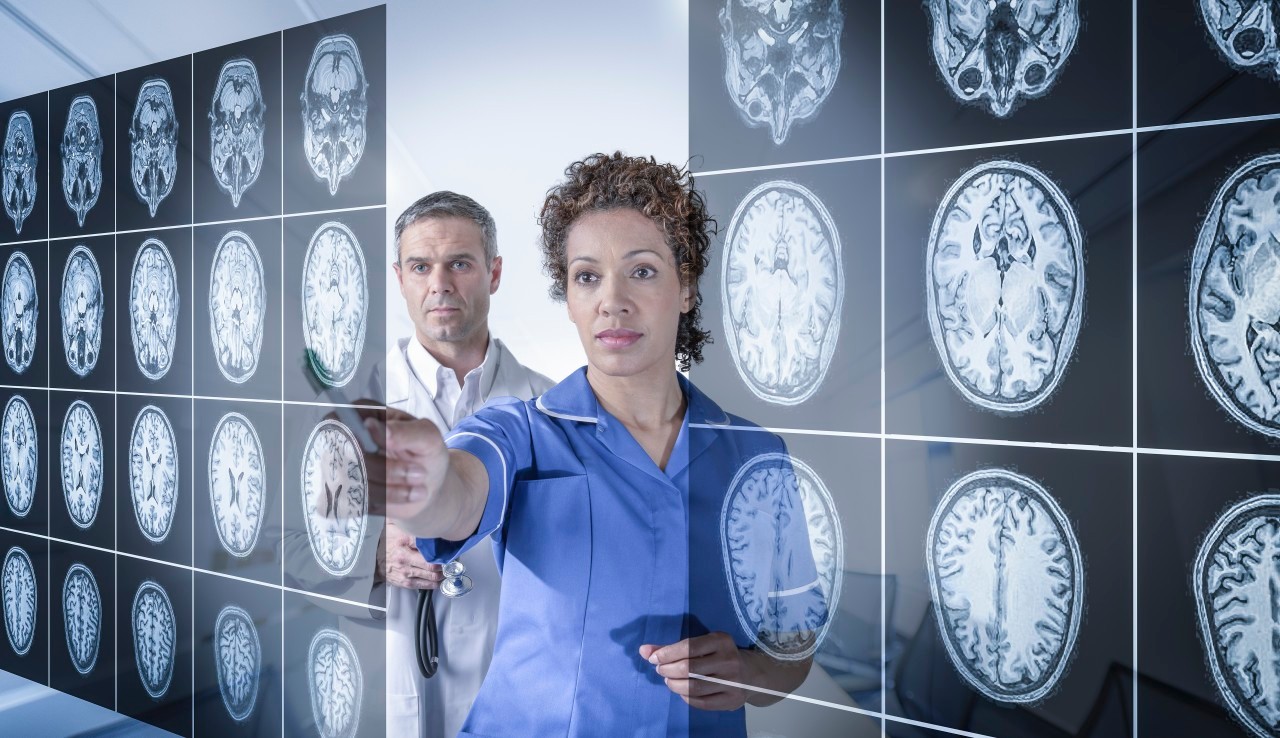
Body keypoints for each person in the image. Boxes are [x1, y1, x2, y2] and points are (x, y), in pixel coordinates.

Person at [374, 153, 823, 737]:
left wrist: (753, 672)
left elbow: (795, 645)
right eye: (588, 276)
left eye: (641, 271)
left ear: (685, 286)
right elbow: (461, 491)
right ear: (569, 295)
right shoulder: (521, 429)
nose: (612, 300)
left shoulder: (757, 456)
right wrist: (422, 478)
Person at [375, 191, 553, 738]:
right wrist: (370, 557)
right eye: (421, 266)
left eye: (460, 263)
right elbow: (281, 546)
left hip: (513, 683)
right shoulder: (351, 406)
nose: (440, 284)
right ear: (399, 276)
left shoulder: (551, 410)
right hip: (390, 681)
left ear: (494, 273)